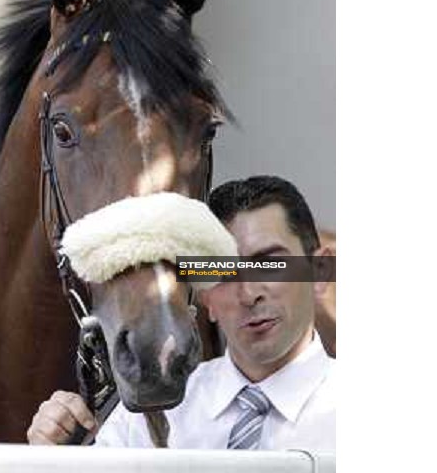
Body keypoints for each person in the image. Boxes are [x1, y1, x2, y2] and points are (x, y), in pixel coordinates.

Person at [27, 175, 335, 451]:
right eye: (222, 273)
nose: (248, 293)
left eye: (270, 263)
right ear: (204, 297)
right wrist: (59, 461)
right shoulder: (153, 415)